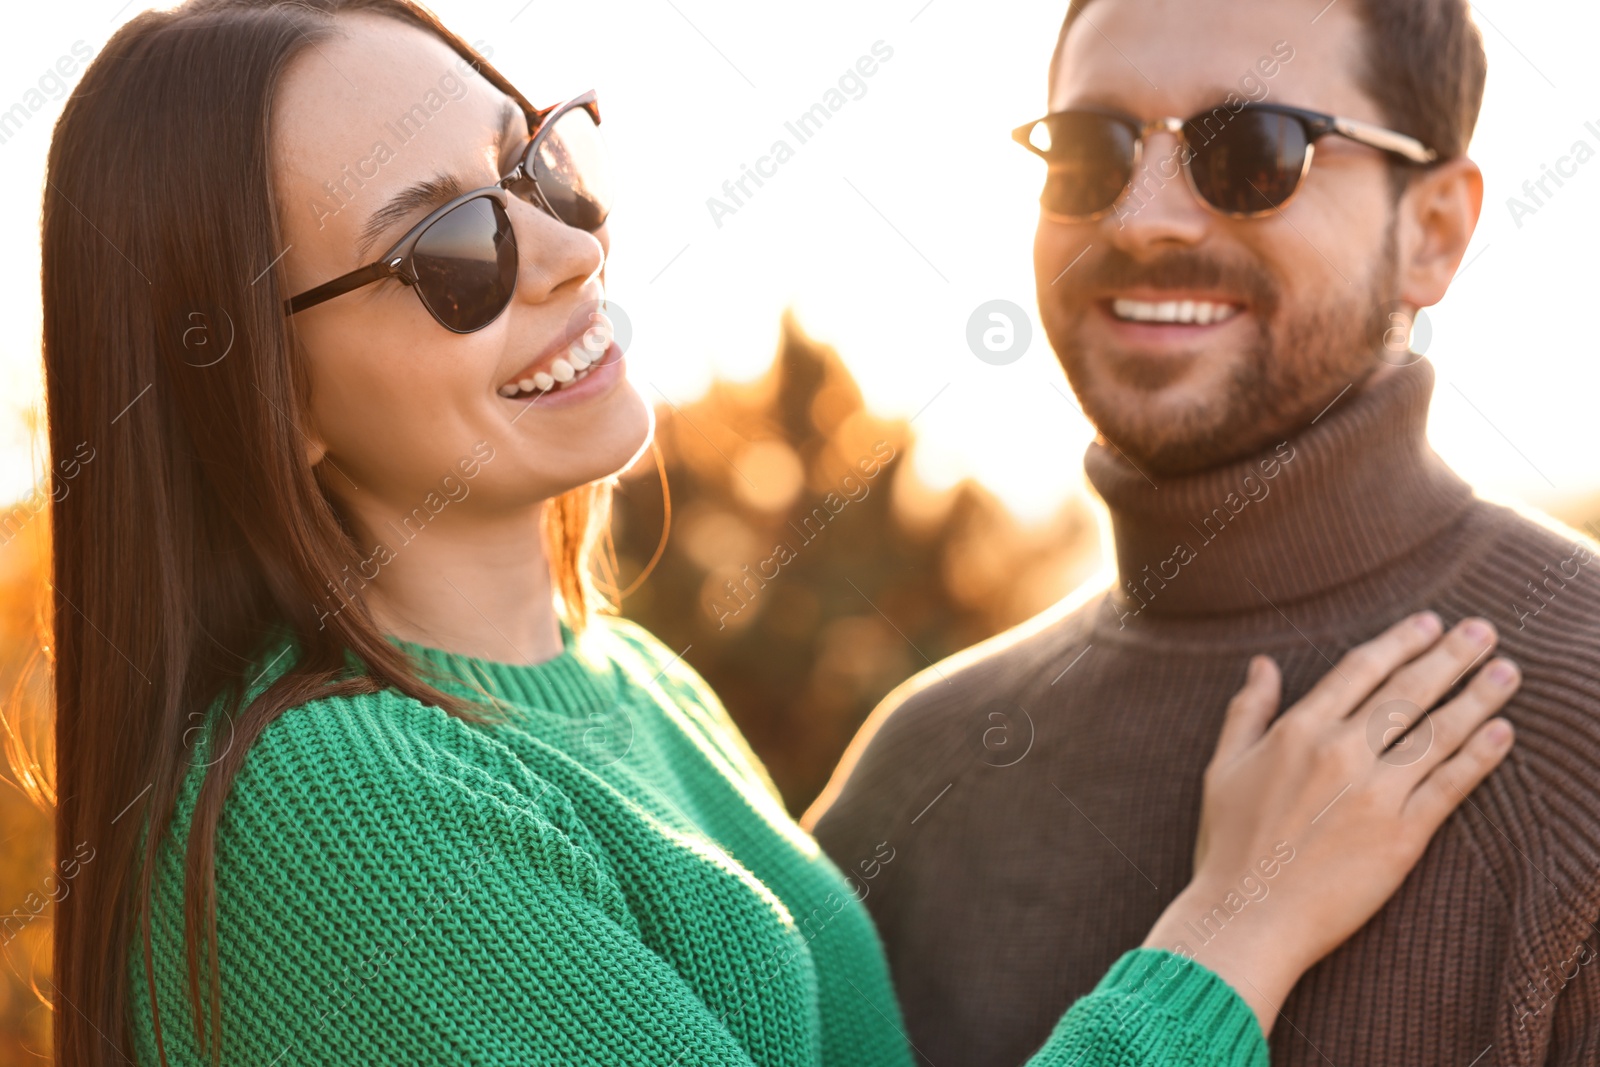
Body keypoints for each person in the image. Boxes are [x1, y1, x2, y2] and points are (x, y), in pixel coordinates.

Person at [35, 1, 1518, 1064]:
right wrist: (1235, 935)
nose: (567, 247)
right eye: (448, 249)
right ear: (255, 397)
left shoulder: (632, 685)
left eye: (538, 163)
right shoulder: (331, 802)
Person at [804, 0, 1600, 1064]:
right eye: (1091, 150)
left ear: (1435, 230)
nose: (1141, 220)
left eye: (1252, 150)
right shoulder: (915, 772)